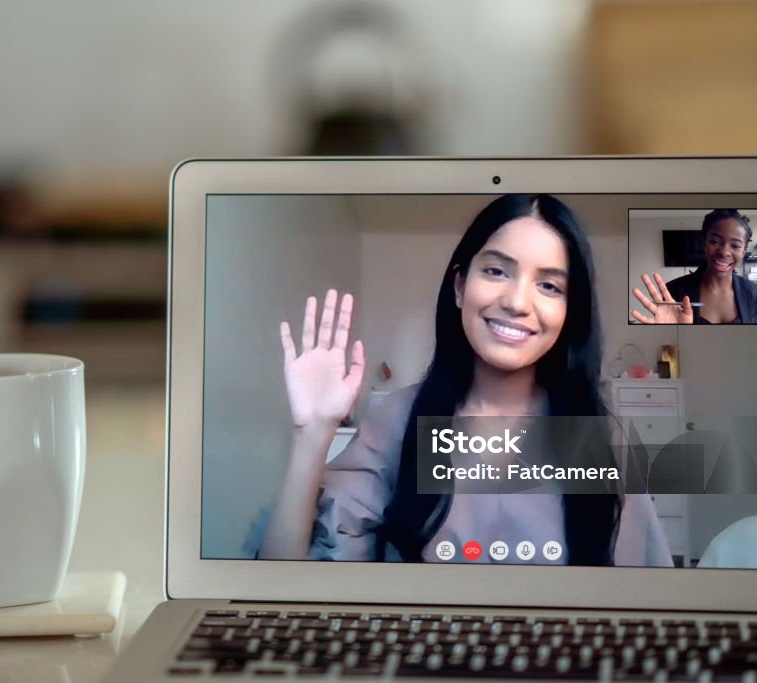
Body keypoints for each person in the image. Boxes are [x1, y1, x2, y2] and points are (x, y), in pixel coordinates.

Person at [260, 194, 672, 566]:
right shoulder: (399, 419)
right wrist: (312, 433)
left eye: (549, 285)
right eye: (495, 271)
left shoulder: (602, 436)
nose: (515, 301)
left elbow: (648, 599)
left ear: (569, 313)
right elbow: (285, 581)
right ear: (460, 287)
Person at [632, 209, 757, 324]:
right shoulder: (673, 291)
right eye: (715, 242)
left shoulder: (752, 292)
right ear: (703, 244)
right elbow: (667, 346)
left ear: (744, 251)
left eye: (735, 245)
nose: (724, 252)